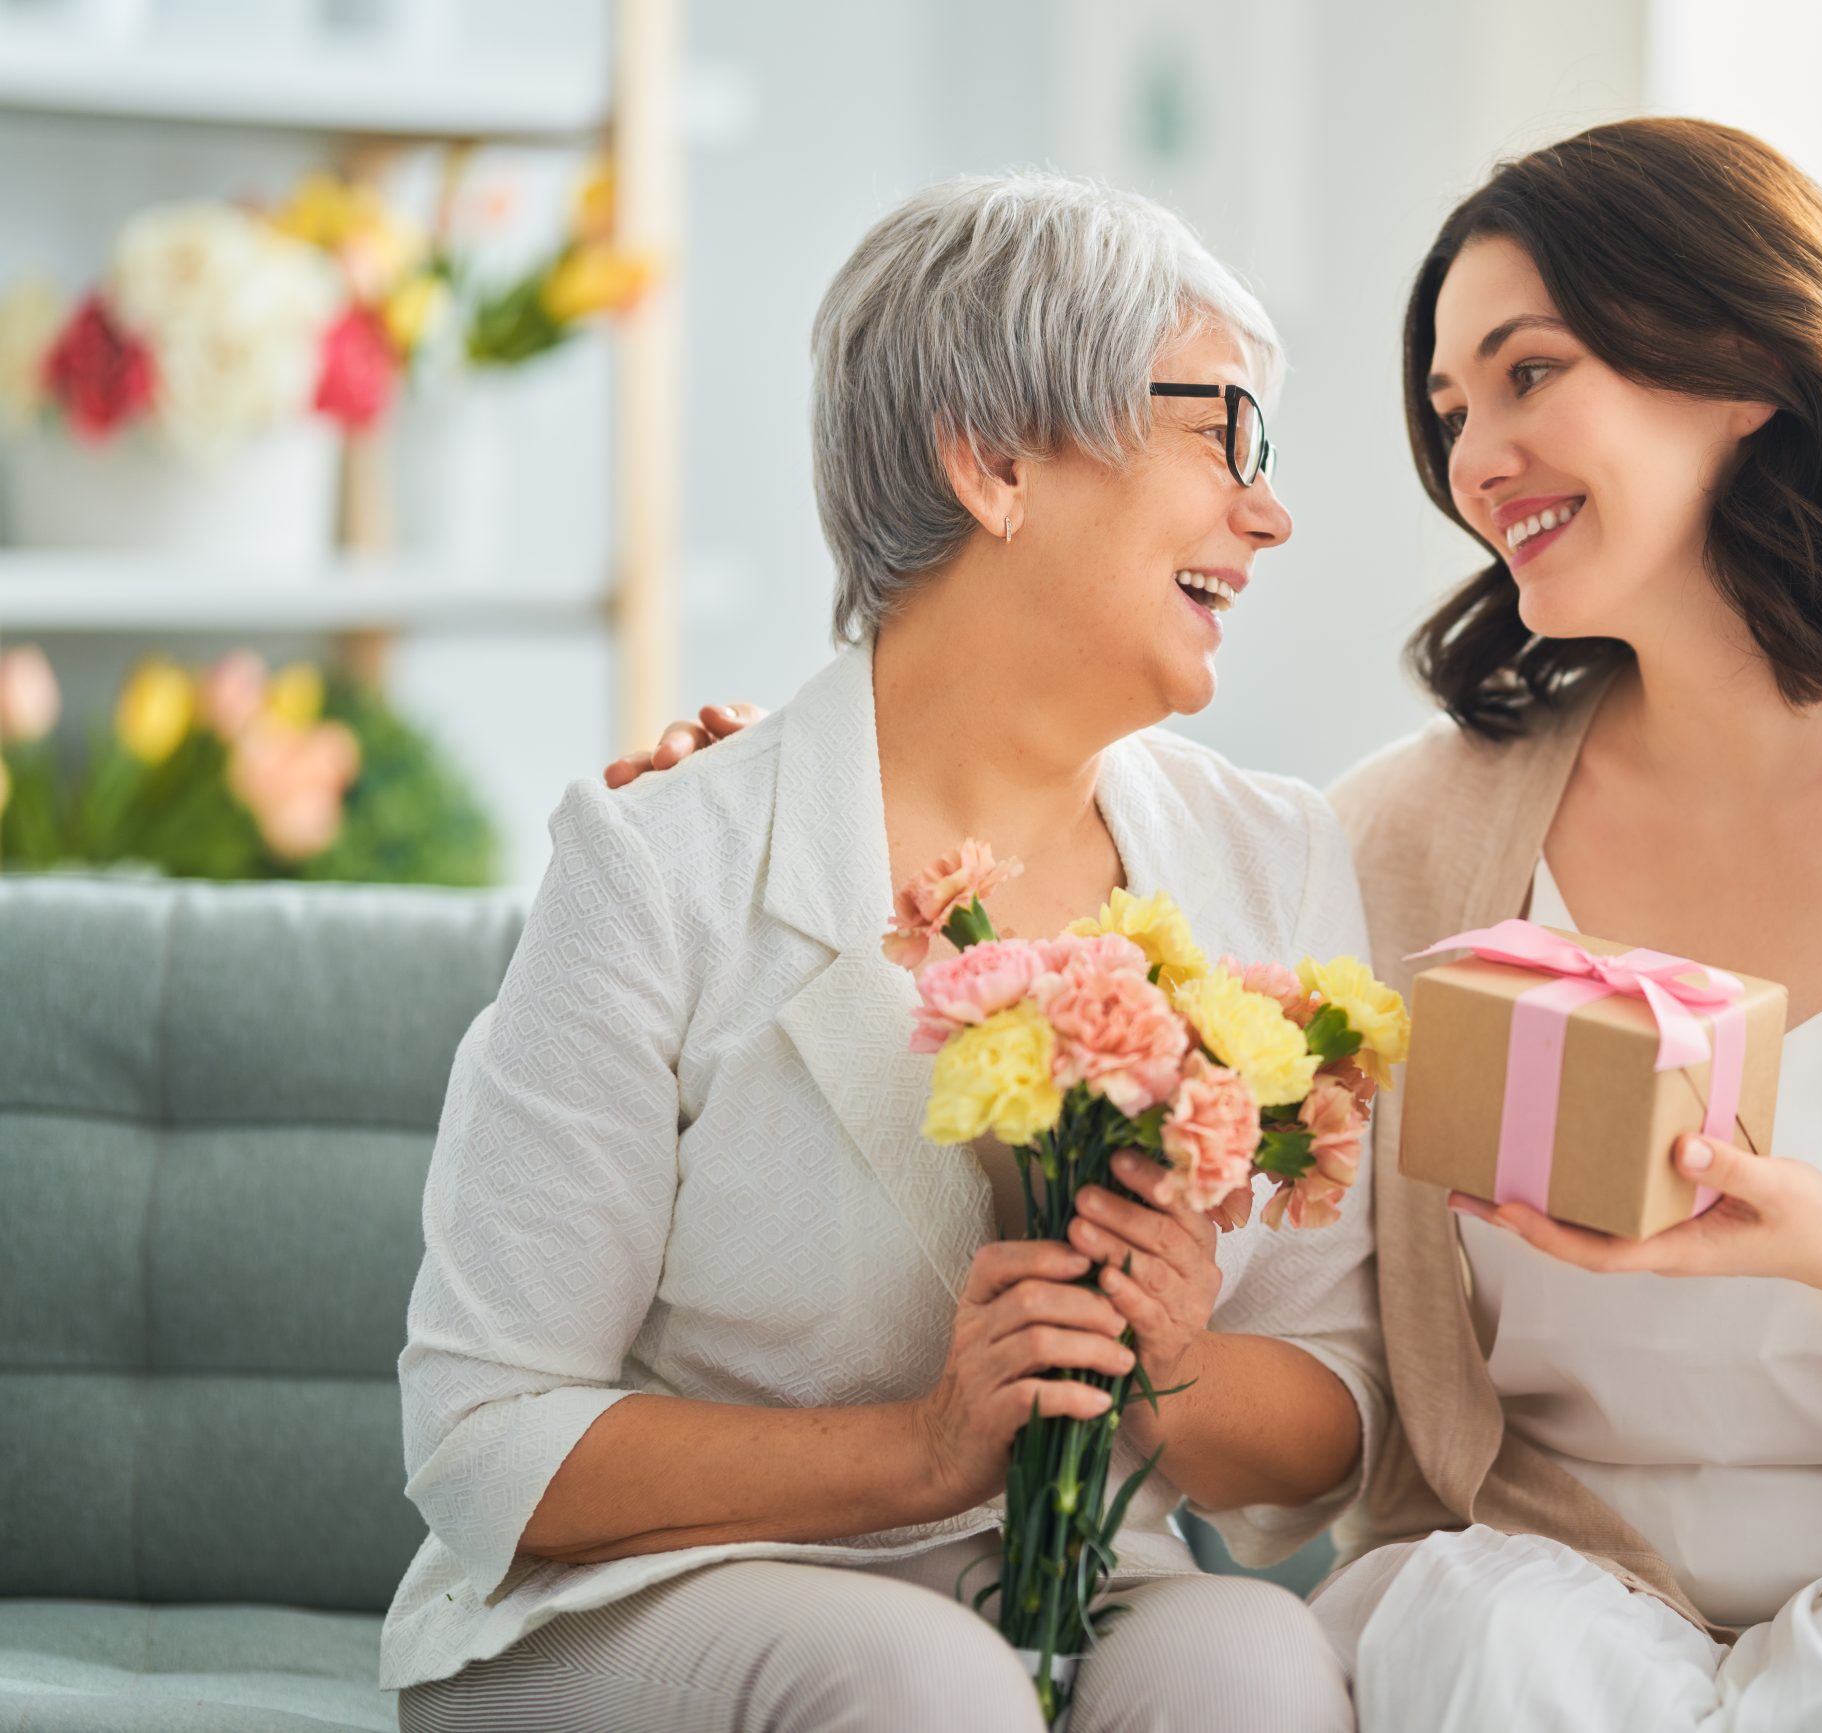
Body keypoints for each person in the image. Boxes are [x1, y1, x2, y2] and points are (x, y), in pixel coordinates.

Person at [625, 119, 1822, 1732]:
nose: (1475, 456)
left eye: (1529, 374)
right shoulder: (1404, 840)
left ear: (1748, 363)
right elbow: (1098, 868)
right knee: (1501, 1656)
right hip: (1537, 1579)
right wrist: (804, 786)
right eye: (1451, 408)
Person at [388, 172, 1375, 1733]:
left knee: (1256, 1667)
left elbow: (1334, 1411)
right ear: (994, 460)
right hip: (652, 1598)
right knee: (921, 1684)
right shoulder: (663, 864)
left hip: (1068, 1584)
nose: (1269, 508)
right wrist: (924, 1446)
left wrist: (1174, 1355)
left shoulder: (1278, 859)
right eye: (1222, 431)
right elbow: (482, 1430)